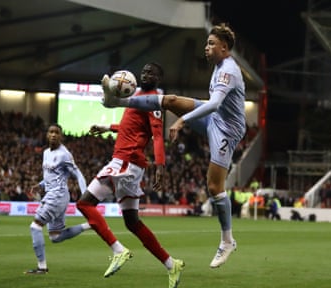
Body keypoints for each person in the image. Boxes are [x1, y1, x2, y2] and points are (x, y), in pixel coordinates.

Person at [101, 23, 245, 269]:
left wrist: (181, 121)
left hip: (226, 130)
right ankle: (119, 101)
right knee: (170, 100)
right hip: (215, 118)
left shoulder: (227, 71)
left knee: (214, 186)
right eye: (207, 43)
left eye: (211, 44)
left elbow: (213, 104)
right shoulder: (219, 66)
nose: (206, 47)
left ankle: (227, 240)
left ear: (224, 47)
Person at [76, 62, 185, 288]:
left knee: (85, 203)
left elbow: (157, 136)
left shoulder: (154, 100)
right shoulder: (138, 97)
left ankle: (118, 250)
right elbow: (130, 126)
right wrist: (107, 126)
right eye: (144, 71)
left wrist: (160, 165)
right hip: (130, 163)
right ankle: (171, 264)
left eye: (152, 73)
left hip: (126, 161)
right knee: (132, 222)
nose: (146, 74)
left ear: (158, 79)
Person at [25, 123, 90, 274]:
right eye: (51, 132)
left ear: (61, 136)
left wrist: (85, 194)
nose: (53, 135)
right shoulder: (46, 152)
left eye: (57, 133)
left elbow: (78, 174)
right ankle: (89, 225)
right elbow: (51, 176)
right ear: (47, 135)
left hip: (58, 195)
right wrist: (40, 184)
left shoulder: (64, 154)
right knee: (55, 236)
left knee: (35, 226)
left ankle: (42, 268)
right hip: (53, 194)